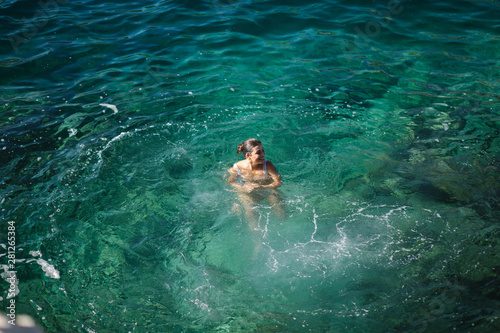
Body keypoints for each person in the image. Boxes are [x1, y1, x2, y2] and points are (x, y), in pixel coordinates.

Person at [227, 138, 286, 228]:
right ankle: (258, 239)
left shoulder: (268, 165)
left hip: (267, 190)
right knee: (251, 214)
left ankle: (284, 229)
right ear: (248, 156)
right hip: (248, 192)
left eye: (263, 150)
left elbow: (278, 182)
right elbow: (230, 182)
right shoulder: (238, 167)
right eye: (258, 152)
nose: (263, 154)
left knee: (280, 211)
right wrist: (243, 188)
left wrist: (262, 186)